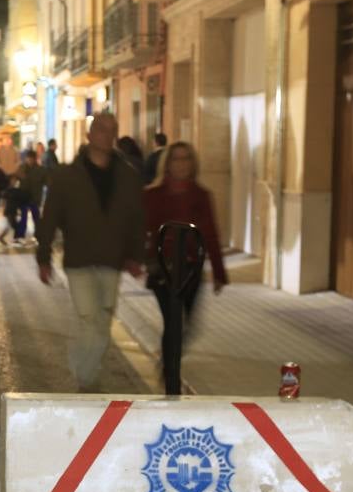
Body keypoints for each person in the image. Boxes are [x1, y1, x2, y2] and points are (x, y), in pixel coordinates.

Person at [36, 113, 145, 392]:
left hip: (112, 259)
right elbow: (49, 218)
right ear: (89, 135)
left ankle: (85, 369)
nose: (106, 135)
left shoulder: (127, 176)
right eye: (100, 129)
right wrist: (43, 257)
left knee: (104, 319)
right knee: (87, 318)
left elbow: (136, 218)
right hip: (79, 260)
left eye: (112, 130)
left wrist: (136, 255)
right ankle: (86, 380)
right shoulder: (67, 176)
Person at [143, 141, 227, 370]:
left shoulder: (201, 196)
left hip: (190, 269)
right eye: (176, 159)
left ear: (193, 164)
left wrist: (219, 273)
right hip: (162, 268)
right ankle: (171, 376)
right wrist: (138, 258)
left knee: (188, 324)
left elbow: (210, 234)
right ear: (167, 164)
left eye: (185, 158)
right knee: (173, 322)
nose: (181, 164)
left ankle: (169, 362)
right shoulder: (153, 195)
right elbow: (141, 229)